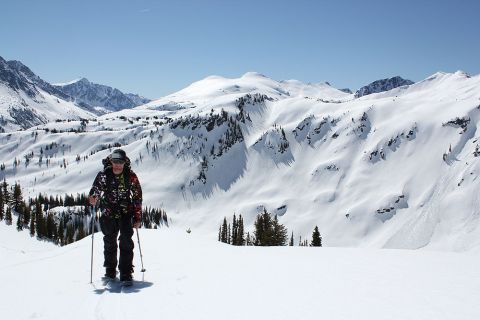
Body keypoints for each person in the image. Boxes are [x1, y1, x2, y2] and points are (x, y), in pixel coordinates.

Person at [88, 149, 142, 282]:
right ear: (111, 161)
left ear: (125, 162)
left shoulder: (131, 176)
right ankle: (110, 270)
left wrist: (137, 217)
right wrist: (93, 196)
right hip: (108, 214)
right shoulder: (104, 175)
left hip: (125, 213)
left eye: (120, 162)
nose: (117, 165)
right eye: (115, 162)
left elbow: (137, 197)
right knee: (110, 242)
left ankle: (125, 272)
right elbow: (96, 189)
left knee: (126, 243)